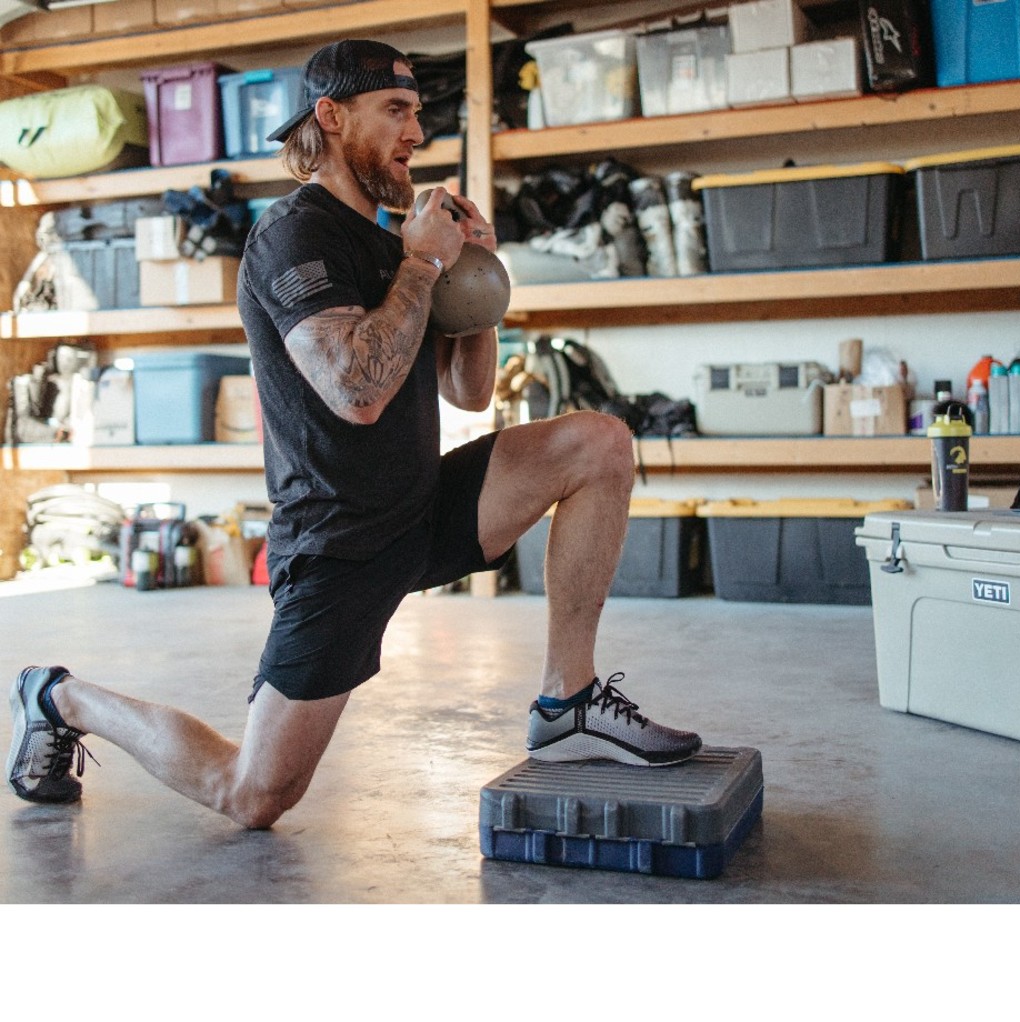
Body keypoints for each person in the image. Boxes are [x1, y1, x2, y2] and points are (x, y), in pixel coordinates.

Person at [7, 40, 701, 828]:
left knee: (599, 442)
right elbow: (357, 391)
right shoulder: (292, 237)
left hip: (424, 505)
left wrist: (476, 277)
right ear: (333, 118)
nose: (415, 132)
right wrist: (425, 267)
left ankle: (567, 702)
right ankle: (58, 696)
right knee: (254, 795)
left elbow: (470, 393)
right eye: (397, 112)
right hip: (338, 542)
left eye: (417, 114)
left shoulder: (396, 241)